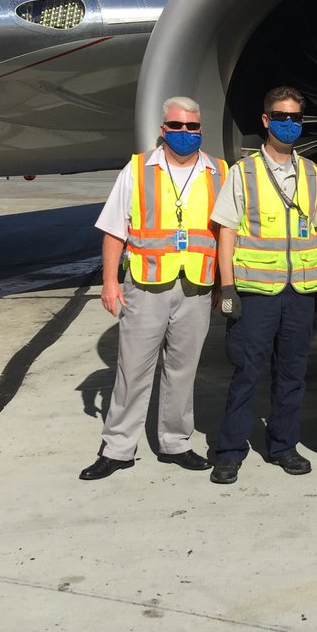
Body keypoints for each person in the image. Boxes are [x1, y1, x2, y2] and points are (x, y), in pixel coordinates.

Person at [79, 96, 228, 480]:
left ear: (200, 129)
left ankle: (176, 442)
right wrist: (109, 282)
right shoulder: (137, 169)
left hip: (196, 285)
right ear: (163, 130)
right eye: (175, 126)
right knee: (133, 368)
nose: (184, 133)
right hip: (146, 285)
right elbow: (115, 229)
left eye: (191, 127)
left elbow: (225, 233)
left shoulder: (218, 171)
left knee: (183, 369)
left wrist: (223, 286)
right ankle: (118, 448)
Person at [208, 86, 317, 485]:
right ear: (266, 121)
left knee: (293, 373)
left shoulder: (310, 172)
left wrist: (313, 265)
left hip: (298, 293)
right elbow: (225, 232)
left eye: (296, 118)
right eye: (281, 117)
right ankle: (230, 450)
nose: (289, 124)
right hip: (256, 292)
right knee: (246, 371)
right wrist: (227, 289)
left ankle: (283, 446)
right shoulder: (242, 173)